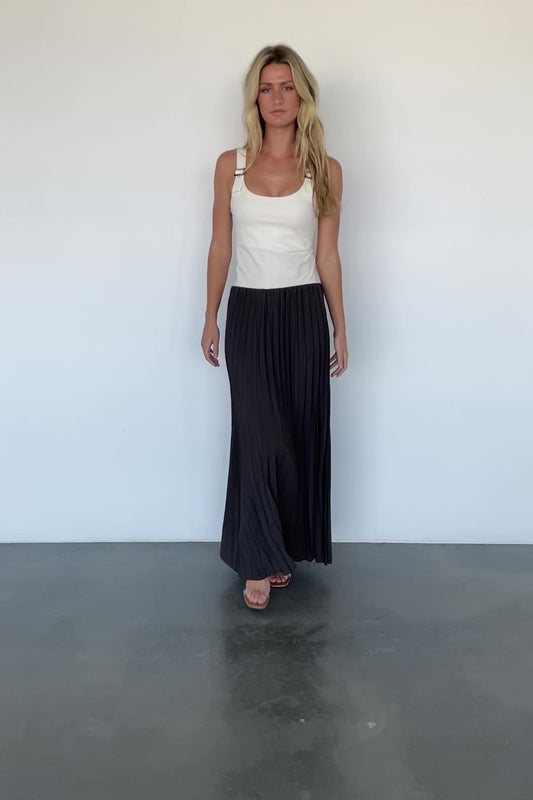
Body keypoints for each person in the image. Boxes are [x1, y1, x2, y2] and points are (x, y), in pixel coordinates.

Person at [201, 44, 348, 610]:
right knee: (258, 436)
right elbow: (220, 246)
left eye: (287, 87)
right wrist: (210, 316)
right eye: (267, 88)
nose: (277, 98)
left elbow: (328, 255)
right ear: (255, 99)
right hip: (249, 314)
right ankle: (257, 560)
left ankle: (281, 545)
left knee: (293, 436)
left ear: (302, 96)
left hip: (304, 313)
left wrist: (340, 327)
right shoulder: (230, 166)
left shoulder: (326, 170)